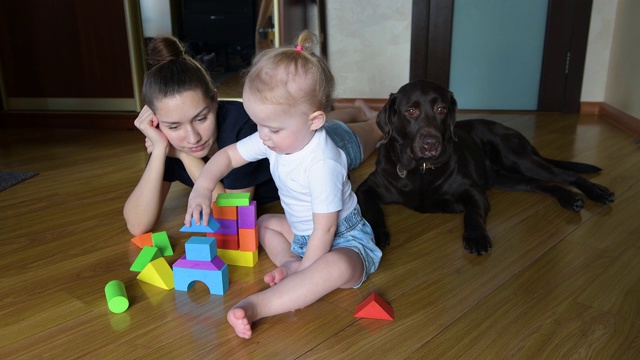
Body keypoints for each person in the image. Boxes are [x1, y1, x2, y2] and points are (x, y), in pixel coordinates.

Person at [184, 30, 383, 339]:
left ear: (315, 121)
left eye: (272, 128)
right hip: (304, 234)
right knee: (264, 223)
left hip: (345, 240)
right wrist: (203, 186)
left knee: (336, 267)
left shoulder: (323, 163)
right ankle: (292, 263)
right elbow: (227, 157)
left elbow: (326, 230)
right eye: (259, 124)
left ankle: (258, 305)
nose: (263, 136)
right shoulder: (274, 138)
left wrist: (305, 274)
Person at [123, 36, 382, 236]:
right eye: (174, 126)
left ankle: (364, 117)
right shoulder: (164, 142)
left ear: (216, 100)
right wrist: (159, 151)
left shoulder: (246, 125)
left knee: (374, 129)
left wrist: (180, 154)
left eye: (201, 118)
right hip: (295, 131)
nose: (191, 137)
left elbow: (233, 214)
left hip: (325, 145)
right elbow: (137, 225)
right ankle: (353, 109)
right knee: (300, 121)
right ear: (157, 123)